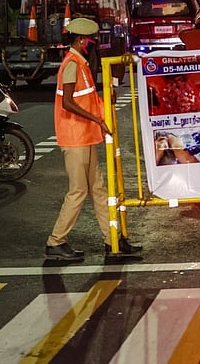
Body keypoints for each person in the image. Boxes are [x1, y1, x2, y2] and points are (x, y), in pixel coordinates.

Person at [46, 17, 141, 260]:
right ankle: (56, 242)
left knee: (98, 189)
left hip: (85, 135)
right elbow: (68, 102)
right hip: (74, 137)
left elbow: (86, 97)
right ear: (79, 40)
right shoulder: (71, 65)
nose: (91, 44)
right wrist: (98, 119)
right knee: (78, 191)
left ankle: (113, 241)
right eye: (88, 40)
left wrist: (104, 103)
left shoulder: (81, 63)